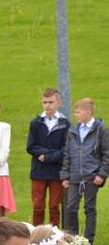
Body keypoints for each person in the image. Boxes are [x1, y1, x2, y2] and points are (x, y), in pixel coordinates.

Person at [61, 98, 109, 244]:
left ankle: (88, 242)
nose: (76, 115)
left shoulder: (100, 129)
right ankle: (72, 241)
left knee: (89, 208)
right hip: (75, 176)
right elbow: (68, 154)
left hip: (92, 176)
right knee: (70, 208)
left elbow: (107, 153)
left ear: (88, 112)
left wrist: (101, 174)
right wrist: (65, 175)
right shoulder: (73, 131)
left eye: (78, 111)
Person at [26, 88, 70, 226]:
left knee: (54, 207)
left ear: (58, 103)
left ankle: (54, 237)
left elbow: (66, 149)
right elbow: (31, 146)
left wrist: (47, 157)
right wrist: (47, 153)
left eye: (51, 102)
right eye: (45, 102)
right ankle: (37, 237)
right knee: (38, 207)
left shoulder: (65, 123)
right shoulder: (36, 123)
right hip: (38, 171)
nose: (47, 105)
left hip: (56, 171)